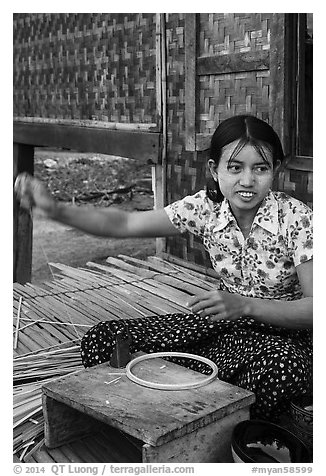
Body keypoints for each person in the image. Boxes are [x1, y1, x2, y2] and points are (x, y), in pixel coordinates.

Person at [14, 115, 313, 421]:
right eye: (234, 168)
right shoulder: (205, 208)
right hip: (224, 329)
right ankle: (195, 402)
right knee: (106, 337)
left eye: (260, 168)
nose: (247, 181)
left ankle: (205, 409)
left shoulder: (296, 219)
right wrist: (54, 208)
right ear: (214, 169)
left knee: (280, 368)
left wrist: (246, 306)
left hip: (284, 338)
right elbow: (126, 222)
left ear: (277, 168)